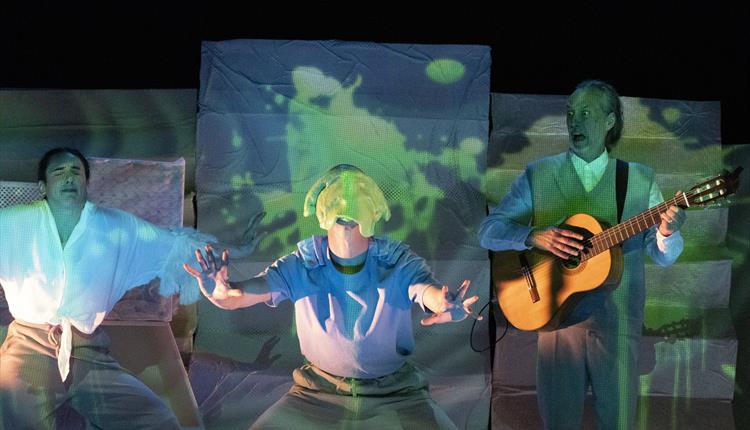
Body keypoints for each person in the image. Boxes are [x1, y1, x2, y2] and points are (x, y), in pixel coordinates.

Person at [184, 164, 482, 429]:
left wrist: (445, 304)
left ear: (372, 212)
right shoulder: (302, 264)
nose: (347, 221)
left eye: (354, 210)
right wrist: (223, 293)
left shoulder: (396, 262)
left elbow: (426, 290)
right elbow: (244, 294)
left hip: (395, 393)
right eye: (340, 212)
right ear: (325, 213)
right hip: (318, 393)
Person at [478, 80, 685, 429]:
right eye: (571, 113)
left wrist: (667, 231)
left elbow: (663, 256)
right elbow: (488, 232)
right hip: (557, 328)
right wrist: (531, 236)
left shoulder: (638, 179)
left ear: (609, 121)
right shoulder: (538, 174)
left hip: (618, 327)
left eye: (586, 113)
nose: (575, 121)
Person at [0, 147, 254, 429]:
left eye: (76, 172)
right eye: (59, 172)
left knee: (160, 422)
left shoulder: (115, 226)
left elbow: (172, 245)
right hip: (30, 344)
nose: (69, 178)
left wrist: (233, 251)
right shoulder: (14, 223)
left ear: (86, 182)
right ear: (43, 185)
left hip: (89, 351)